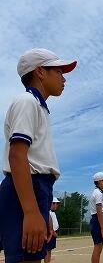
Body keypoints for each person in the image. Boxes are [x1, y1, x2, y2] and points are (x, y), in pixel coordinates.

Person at [0, 48, 76, 262]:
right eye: (59, 71)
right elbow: (17, 155)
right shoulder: (27, 102)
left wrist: (44, 216)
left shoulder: (39, 107)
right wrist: (32, 212)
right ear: (41, 72)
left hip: (36, 191)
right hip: (25, 189)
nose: (64, 79)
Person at [44, 197, 61, 263]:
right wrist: (54, 233)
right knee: (47, 251)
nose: (57, 205)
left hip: (53, 233)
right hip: (51, 233)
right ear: (52, 203)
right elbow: (49, 225)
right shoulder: (49, 213)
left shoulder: (52, 213)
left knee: (49, 250)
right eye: (56, 204)